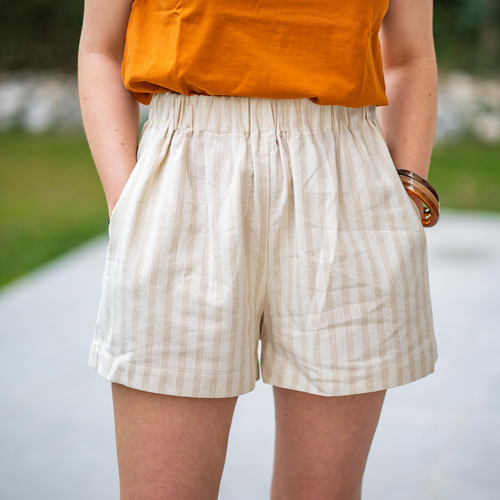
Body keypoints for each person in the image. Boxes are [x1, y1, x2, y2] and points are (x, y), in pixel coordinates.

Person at [78, 0, 439, 498]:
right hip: (187, 170)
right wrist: (130, 207)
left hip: (345, 178)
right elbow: (102, 48)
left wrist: (406, 194)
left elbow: (410, 54)